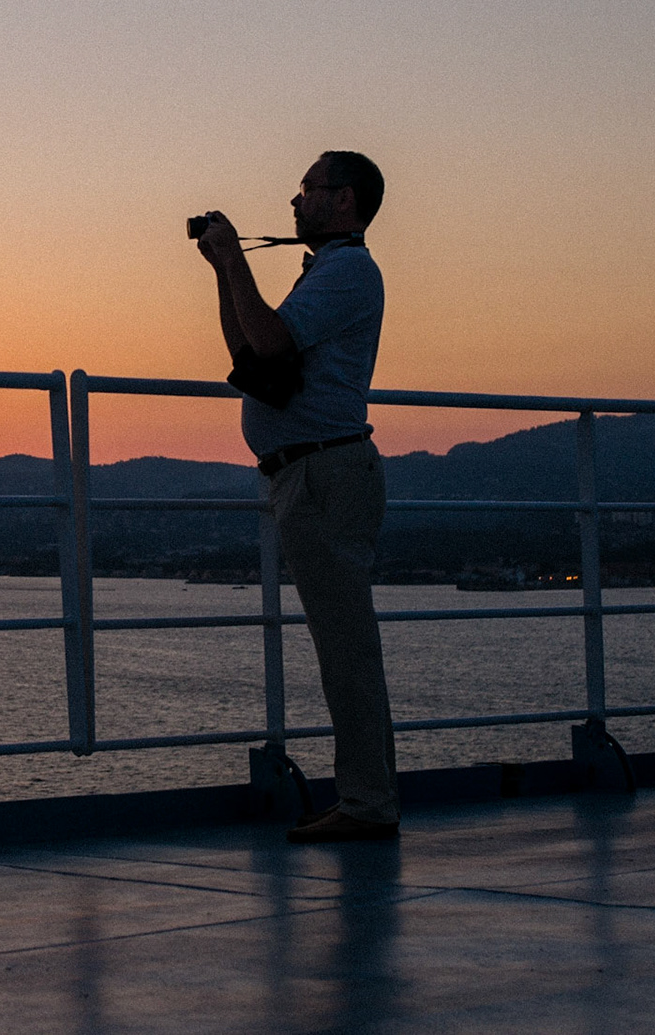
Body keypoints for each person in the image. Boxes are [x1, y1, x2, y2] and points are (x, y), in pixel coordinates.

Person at [196, 150, 398, 842]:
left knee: (347, 652)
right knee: (342, 647)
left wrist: (236, 263)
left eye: (309, 188)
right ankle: (364, 799)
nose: (296, 199)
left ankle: (369, 804)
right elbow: (254, 354)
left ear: (344, 201)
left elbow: (274, 339)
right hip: (308, 475)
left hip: (324, 474)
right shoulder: (329, 271)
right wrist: (227, 271)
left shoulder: (348, 272)